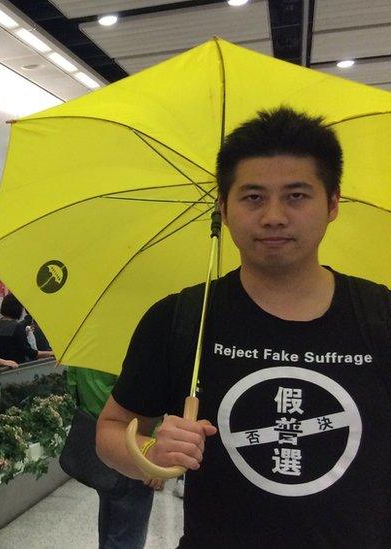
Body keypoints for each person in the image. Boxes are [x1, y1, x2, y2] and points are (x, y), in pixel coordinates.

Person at [96, 107, 391, 547]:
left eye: (296, 196)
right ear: (224, 209)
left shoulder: (380, 314)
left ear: (332, 204)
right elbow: (110, 429)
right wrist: (149, 454)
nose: (273, 216)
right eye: (253, 197)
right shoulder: (181, 318)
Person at [69, 366, 161, 549]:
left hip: (98, 445)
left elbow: (72, 385)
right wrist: (155, 453)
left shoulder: (86, 351)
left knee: (109, 518)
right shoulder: (135, 352)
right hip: (132, 450)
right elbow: (143, 401)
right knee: (127, 534)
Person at [0, 294, 54, 364]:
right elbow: (31, 353)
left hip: (2, 365)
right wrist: (50, 353)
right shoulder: (17, 327)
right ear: (16, 308)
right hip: (17, 366)